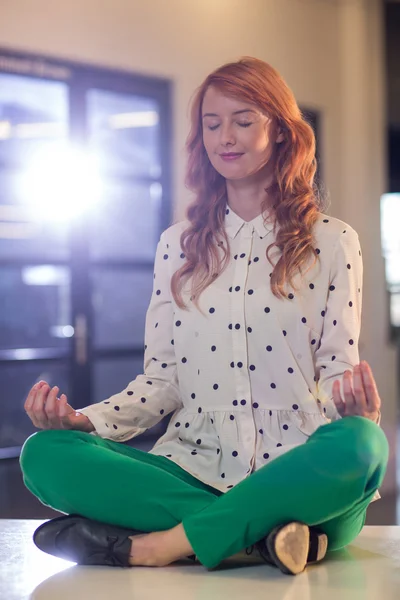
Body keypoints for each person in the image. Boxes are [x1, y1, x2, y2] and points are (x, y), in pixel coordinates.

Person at [20, 56, 388, 576]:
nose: (225, 137)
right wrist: (88, 421)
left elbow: (336, 371)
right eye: (212, 124)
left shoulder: (334, 242)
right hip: (194, 467)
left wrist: (358, 414)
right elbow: (163, 381)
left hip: (299, 470)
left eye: (243, 120)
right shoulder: (177, 246)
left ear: (281, 132)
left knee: (363, 445)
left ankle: (165, 543)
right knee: (45, 455)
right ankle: (263, 539)